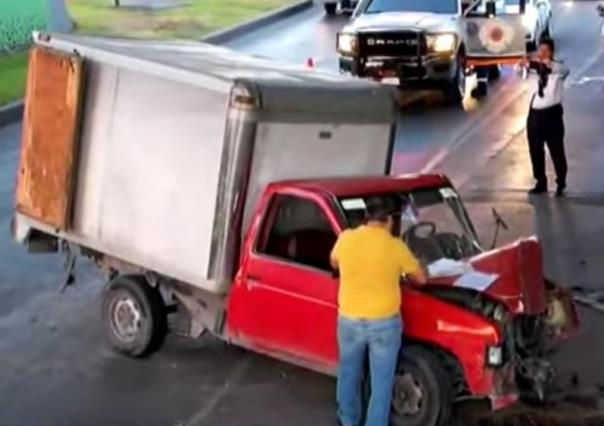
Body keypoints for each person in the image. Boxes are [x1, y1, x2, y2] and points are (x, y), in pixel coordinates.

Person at [330, 196, 426, 426]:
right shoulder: (395, 247)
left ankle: (348, 421)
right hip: (384, 324)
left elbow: (334, 262)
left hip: (350, 321)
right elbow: (421, 279)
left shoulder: (346, 239)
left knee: (349, 374)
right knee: (381, 384)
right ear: (390, 220)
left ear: (367, 217)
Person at [520, 38, 570, 196]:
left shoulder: (558, 69)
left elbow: (564, 70)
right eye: (540, 50)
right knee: (535, 149)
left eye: (545, 51)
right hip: (535, 114)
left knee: (556, 149)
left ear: (551, 52)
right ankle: (540, 181)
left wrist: (548, 64)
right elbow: (518, 71)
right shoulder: (534, 69)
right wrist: (525, 63)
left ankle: (561, 181)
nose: (542, 54)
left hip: (552, 114)